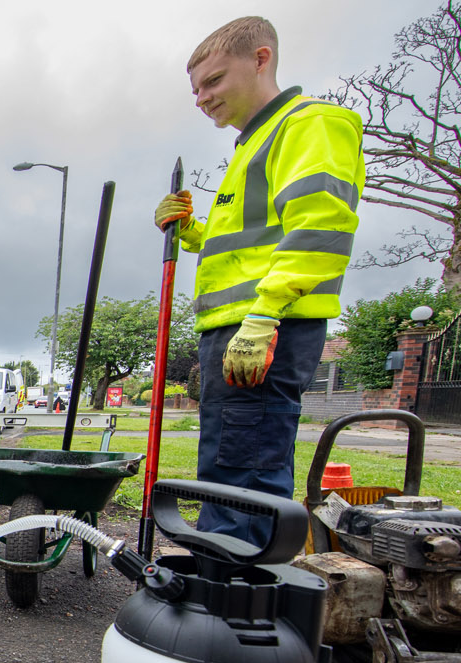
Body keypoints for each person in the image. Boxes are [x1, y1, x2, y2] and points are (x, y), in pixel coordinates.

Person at [154, 16, 363, 547]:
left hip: (265, 329)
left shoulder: (308, 124)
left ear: (261, 59)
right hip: (239, 329)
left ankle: (237, 596)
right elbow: (249, 243)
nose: (202, 98)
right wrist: (189, 231)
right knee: (228, 467)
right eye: (196, 89)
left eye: (214, 81)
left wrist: (264, 316)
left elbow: (318, 228)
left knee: (243, 474)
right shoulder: (253, 144)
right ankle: (227, 575)